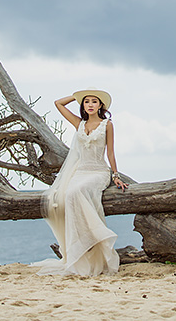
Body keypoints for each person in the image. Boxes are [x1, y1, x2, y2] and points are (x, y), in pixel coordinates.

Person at [33, 89, 128, 276]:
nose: (90, 104)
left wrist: (115, 175)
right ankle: (78, 251)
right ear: (82, 105)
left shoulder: (107, 125)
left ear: (101, 105)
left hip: (98, 172)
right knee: (67, 195)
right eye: (86, 102)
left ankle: (94, 238)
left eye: (94, 101)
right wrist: (76, 95)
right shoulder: (79, 123)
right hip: (80, 171)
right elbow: (58, 103)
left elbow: (110, 153)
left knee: (78, 192)